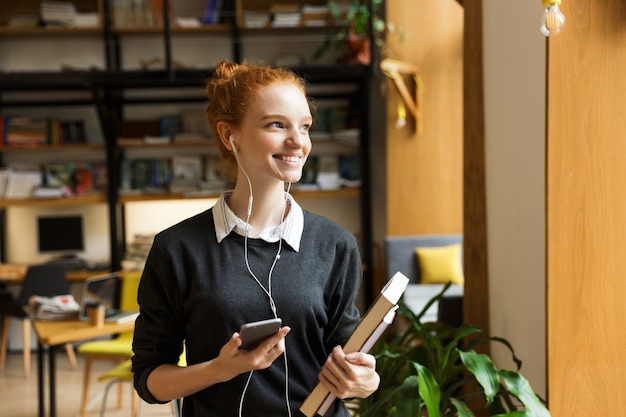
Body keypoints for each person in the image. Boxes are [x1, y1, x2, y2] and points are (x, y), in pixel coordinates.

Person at [131, 60, 380, 417]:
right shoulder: (177, 249)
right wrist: (222, 369)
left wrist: (365, 381)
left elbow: (349, 356)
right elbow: (150, 380)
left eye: (305, 127)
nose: (297, 141)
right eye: (277, 125)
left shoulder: (335, 244)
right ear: (228, 135)